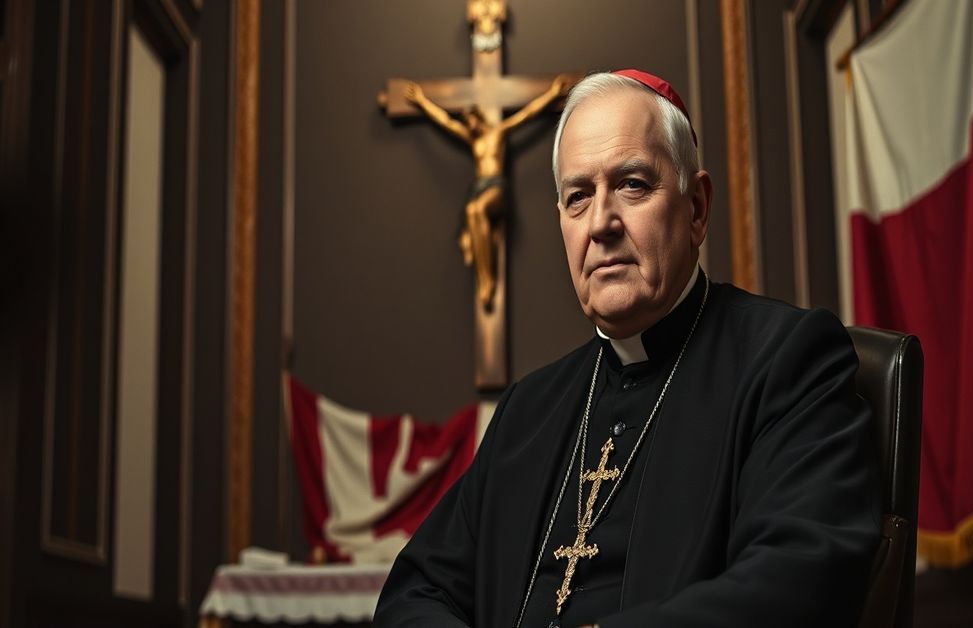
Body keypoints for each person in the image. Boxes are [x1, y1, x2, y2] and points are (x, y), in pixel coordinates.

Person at [375, 69, 882, 627]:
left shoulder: (787, 360)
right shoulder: (528, 410)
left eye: (632, 184)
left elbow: (797, 580)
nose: (600, 224)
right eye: (577, 197)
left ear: (696, 208)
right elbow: (415, 591)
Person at [403, 74, 575, 310]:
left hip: (495, 188)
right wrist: (422, 102)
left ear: (478, 117)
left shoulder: (497, 133)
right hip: (478, 190)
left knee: (478, 209)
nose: (468, 124)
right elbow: (444, 121)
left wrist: (552, 95)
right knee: (474, 211)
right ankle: (485, 276)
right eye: (465, 121)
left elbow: (527, 114)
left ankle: (488, 279)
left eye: (470, 118)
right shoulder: (473, 142)